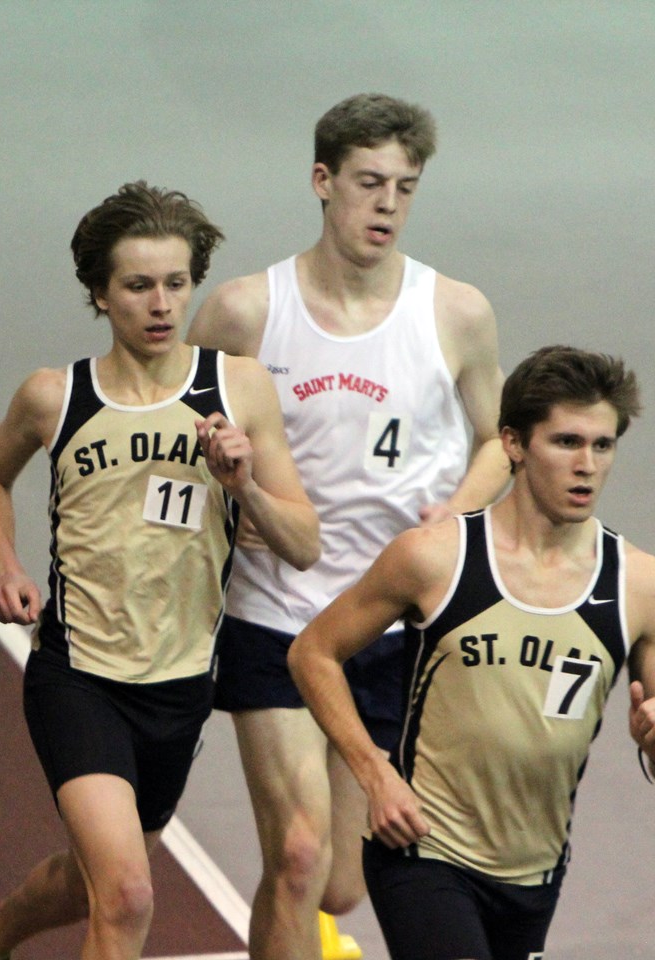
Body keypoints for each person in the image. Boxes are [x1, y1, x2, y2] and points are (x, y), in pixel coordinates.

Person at [185, 91, 506, 959]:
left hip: (396, 621)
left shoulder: (456, 313)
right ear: (322, 181)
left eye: (406, 187)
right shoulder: (246, 312)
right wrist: (231, 505)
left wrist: (457, 511)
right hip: (278, 611)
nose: (387, 205)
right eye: (370, 183)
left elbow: (499, 441)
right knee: (296, 855)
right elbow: (182, 433)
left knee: (340, 882)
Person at [0, 181, 320, 960]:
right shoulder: (56, 397)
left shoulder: (237, 388)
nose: (161, 304)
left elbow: (303, 545)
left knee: (90, 883)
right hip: (79, 677)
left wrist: (245, 486)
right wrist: (3, 559)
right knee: (127, 897)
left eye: (176, 283)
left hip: (181, 687)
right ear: (100, 293)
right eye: (137, 286)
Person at [288, 346, 655, 960]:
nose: (586, 465)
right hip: (423, 848)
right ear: (512, 443)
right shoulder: (436, 558)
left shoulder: (641, 585)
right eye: (566, 442)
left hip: (534, 874)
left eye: (603, 445)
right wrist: (375, 773)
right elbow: (313, 652)